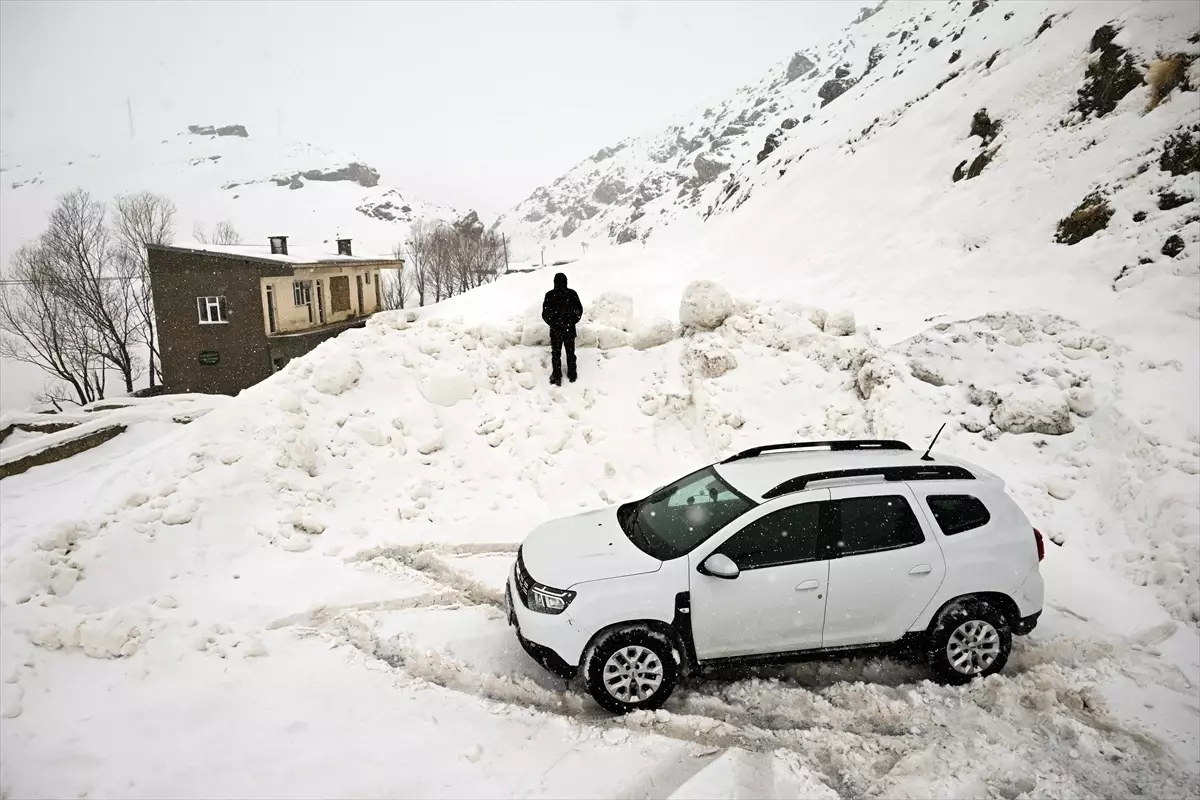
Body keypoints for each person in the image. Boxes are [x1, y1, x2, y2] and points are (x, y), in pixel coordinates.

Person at [541, 272, 583, 385]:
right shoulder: (572, 294)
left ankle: (557, 376)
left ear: (554, 282)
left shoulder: (549, 295)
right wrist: (572, 321)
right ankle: (572, 374)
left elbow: (545, 314)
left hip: (556, 331)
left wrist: (553, 323)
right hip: (569, 330)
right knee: (570, 352)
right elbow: (579, 310)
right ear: (566, 281)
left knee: (556, 354)